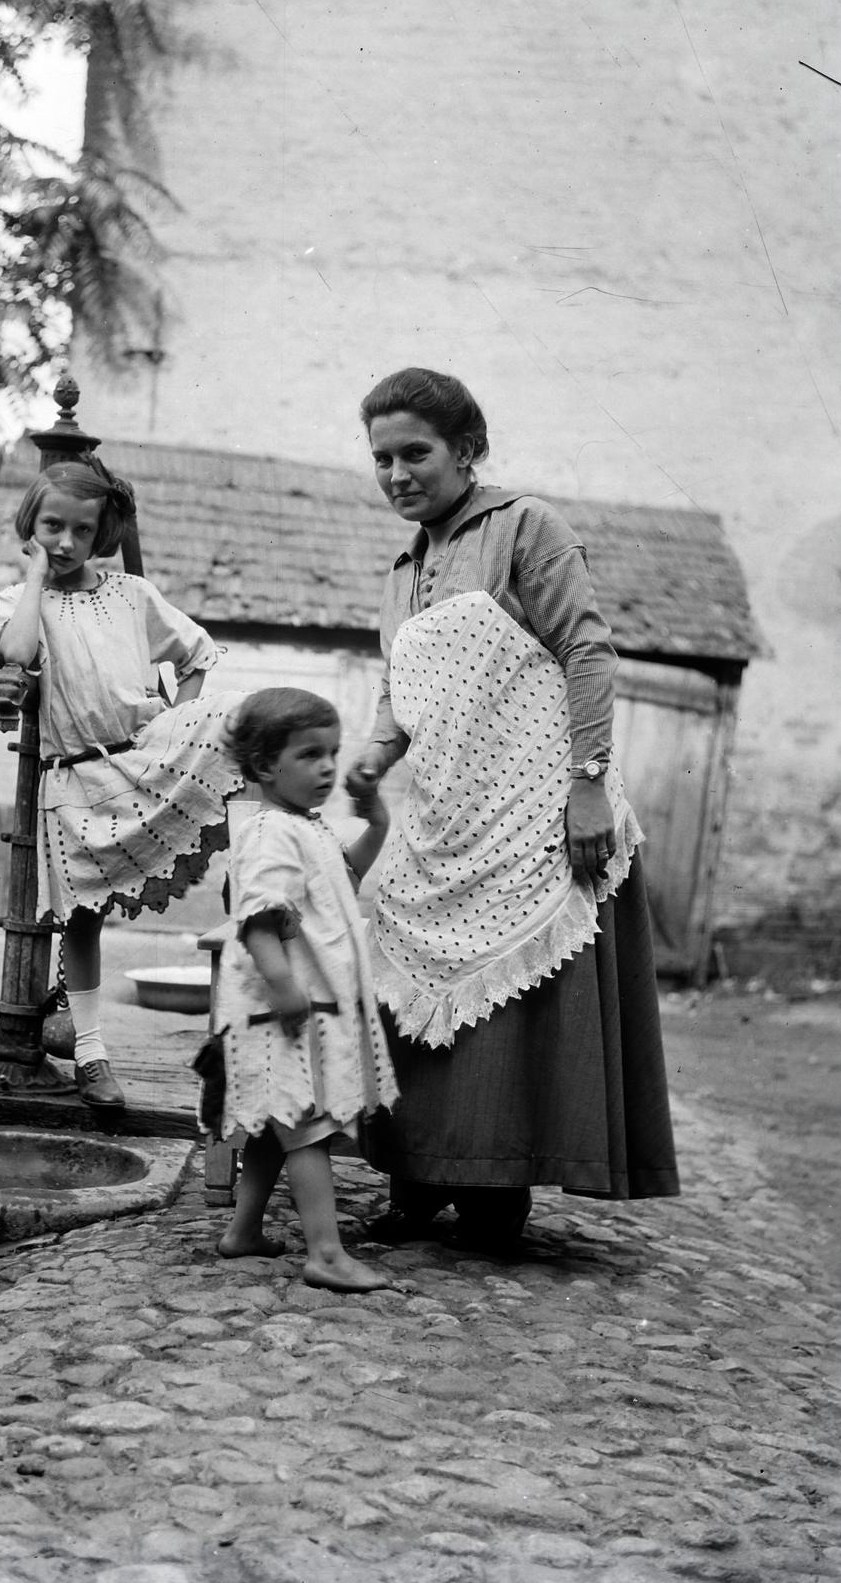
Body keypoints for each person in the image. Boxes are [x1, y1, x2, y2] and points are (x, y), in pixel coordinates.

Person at [344, 366, 680, 1249]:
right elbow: (401, 691)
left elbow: (587, 651)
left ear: (467, 449)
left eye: (415, 453)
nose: (397, 474)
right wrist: (375, 756)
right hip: (446, 811)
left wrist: (587, 784)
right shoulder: (401, 567)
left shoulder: (527, 528)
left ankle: (496, 1190)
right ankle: (417, 1184)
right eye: (381, 459)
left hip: (534, 808)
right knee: (414, 985)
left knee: (512, 1009)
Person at [0, 457, 244, 1108]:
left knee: (243, 734)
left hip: (146, 755)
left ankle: (260, 912)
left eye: (80, 530)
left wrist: (178, 723)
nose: (66, 542)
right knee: (83, 919)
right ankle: (93, 1054)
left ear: (100, 532)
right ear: (32, 525)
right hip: (74, 779)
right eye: (52, 527)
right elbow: (16, 656)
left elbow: (197, 653)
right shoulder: (22, 602)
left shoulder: (130, 593)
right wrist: (36, 574)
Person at [213, 687, 399, 1293]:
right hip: (282, 1010)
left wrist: (377, 821)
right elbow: (259, 918)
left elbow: (344, 875)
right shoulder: (270, 832)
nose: (327, 767)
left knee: (276, 1124)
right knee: (309, 1126)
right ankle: (325, 1252)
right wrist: (284, 986)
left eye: (333, 753)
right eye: (310, 755)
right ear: (266, 766)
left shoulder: (303, 826)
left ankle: (243, 1232)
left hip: (294, 1006)